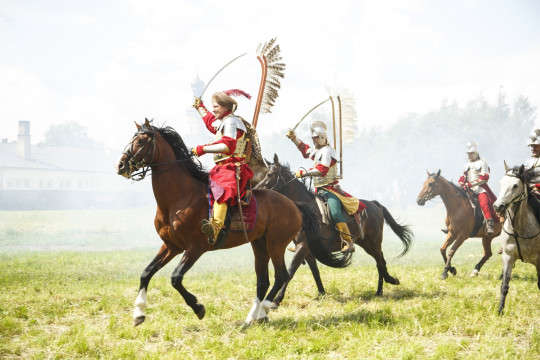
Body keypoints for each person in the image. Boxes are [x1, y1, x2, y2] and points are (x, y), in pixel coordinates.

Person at [286, 121, 366, 253]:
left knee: (334, 212)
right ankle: (299, 242)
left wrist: (303, 173)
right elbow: (305, 150)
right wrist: (294, 138)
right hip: (318, 190)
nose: (314, 141)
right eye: (313, 139)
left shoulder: (328, 151)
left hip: (331, 189)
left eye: (316, 138)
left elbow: (322, 170)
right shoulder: (318, 151)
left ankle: (348, 242)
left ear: (322, 137)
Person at [191, 89, 254, 242]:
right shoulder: (224, 122)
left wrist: (202, 149)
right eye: (213, 107)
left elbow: (228, 146)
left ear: (225, 107)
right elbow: (210, 122)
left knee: (222, 190)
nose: (213, 110)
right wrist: (200, 107)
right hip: (221, 168)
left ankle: (215, 227)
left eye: (216, 106)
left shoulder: (232, 122)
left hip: (233, 168)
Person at [457, 141, 497, 235]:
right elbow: (463, 177)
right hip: (467, 189)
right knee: (457, 202)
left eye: (471, 153)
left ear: (476, 153)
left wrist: (470, 184)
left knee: (484, 204)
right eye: (468, 154)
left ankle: (489, 224)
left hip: (480, 189)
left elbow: (484, 178)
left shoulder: (483, 163)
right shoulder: (466, 164)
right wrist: (459, 185)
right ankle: (452, 224)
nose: (469, 155)